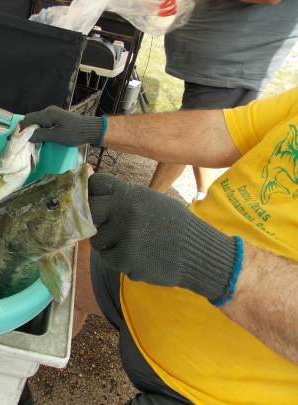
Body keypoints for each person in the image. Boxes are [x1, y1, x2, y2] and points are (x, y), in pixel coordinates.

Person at [21, 85, 298, 404]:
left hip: (214, 391)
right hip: (151, 281)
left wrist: (206, 258)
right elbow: (221, 132)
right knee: (47, 256)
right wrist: (96, 128)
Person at [150, 0, 298, 201]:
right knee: (206, 130)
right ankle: (204, 197)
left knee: (190, 134)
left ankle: (144, 205)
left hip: (235, 61)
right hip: (218, 57)